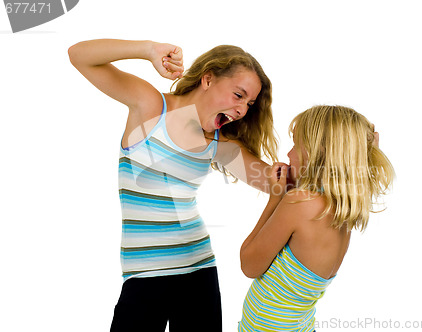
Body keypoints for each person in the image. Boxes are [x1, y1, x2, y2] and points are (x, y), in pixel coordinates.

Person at [68, 39, 278, 332]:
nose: (242, 109)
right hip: (144, 276)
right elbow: (79, 55)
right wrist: (147, 50)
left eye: (249, 103)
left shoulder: (218, 143)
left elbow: (276, 184)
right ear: (208, 78)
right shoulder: (151, 106)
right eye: (238, 95)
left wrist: (347, 149)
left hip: (199, 271)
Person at [239, 105, 395, 331]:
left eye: (295, 144)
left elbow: (249, 265)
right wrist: (367, 145)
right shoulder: (344, 206)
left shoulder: (299, 203)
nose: (289, 154)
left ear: (316, 152)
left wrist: (275, 198)